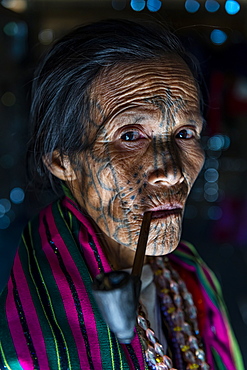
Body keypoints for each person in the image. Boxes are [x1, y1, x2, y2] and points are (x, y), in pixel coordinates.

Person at [0, 19, 244, 370]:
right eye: (130, 136)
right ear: (61, 160)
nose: (172, 171)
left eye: (185, 133)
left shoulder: (194, 277)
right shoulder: (20, 348)